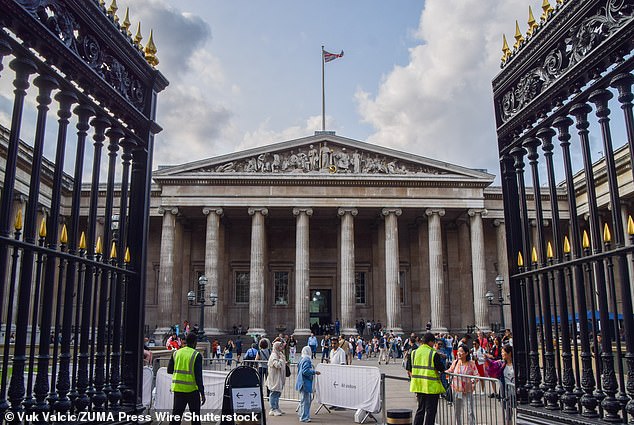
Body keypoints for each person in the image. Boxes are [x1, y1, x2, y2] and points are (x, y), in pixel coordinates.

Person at [167, 332, 206, 425]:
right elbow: (198, 377)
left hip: (178, 390)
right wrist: (202, 393)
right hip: (192, 391)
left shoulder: (176, 353)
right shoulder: (196, 355)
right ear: (194, 342)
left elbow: (169, 370)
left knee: (176, 418)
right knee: (195, 418)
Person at [409, 332, 447, 425]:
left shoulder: (414, 352)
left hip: (418, 385)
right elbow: (441, 367)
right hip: (431, 386)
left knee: (420, 409)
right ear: (430, 342)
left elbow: (410, 367)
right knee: (430, 412)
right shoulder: (433, 353)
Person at [447, 345, 478, 425]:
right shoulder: (456, 362)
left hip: (468, 390)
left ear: (466, 353)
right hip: (457, 389)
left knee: (470, 410)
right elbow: (450, 370)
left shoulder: (471, 364)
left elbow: (476, 375)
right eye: (458, 351)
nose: (459, 353)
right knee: (457, 410)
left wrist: (473, 382)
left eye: (461, 351)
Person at [296, 346, 320, 423]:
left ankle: (302, 414)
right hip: (305, 382)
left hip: (301, 381)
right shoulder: (307, 360)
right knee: (306, 401)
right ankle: (304, 417)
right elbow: (305, 371)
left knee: (303, 400)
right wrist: (314, 372)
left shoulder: (301, 359)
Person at [266, 341, 287, 416]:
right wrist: (281, 360)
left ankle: (277, 407)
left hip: (279, 377)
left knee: (277, 393)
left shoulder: (279, 354)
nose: (282, 347)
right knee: (274, 393)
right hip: (275, 378)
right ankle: (273, 409)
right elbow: (277, 365)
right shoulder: (274, 355)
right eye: (280, 346)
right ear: (277, 347)